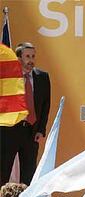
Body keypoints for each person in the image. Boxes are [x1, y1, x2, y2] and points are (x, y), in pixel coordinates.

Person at [0, 42, 51, 186]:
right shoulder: (7, 77)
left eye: (33, 56)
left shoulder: (42, 77)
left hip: (31, 132)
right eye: (27, 56)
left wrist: (41, 129)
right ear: (18, 58)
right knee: (3, 172)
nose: (31, 60)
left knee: (28, 176)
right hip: (9, 131)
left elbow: (46, 105)